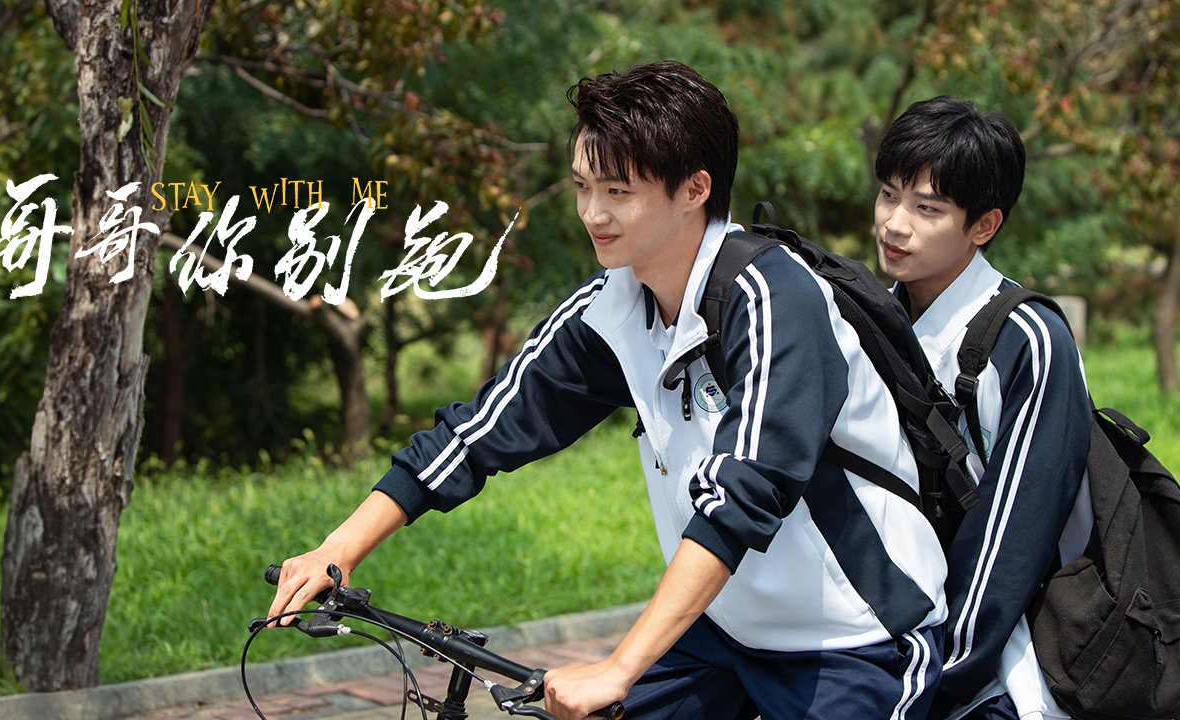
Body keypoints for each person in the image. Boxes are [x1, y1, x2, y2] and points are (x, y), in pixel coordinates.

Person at [270, 60, 947, 720]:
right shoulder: (615, 307)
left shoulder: (773, 298)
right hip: (725, 629)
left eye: (618, 191)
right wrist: (339, 549)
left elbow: (744, 496)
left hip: (855, 635)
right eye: (582, 186)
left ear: (695, 189)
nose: (593, 212)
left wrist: (619, 667)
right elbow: (479, 432)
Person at [873, 96, 1093, 720]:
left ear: (984, 225)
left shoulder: (1029, 341)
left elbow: (1014, 536)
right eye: (888, 195)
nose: (894, 224)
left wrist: (939, 678)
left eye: (927, 208)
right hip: (897, 643)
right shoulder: (869, 322)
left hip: (1008, 665)